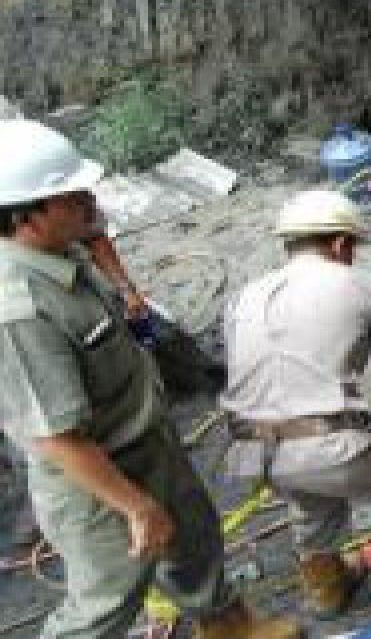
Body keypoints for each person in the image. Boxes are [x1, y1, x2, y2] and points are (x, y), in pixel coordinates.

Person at [0, 120, 300, 639]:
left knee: (192, 536)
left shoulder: (58, 243)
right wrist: (135, 507)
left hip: (145, 440)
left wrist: (123, 287)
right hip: (99, 480)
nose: (87, 201)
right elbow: (57, 437)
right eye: (72, 195)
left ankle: (229, 627)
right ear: (30, 214)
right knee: (106, 601)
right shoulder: (20, 312)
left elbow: (96, 232)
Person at [221, 190, 371, 618]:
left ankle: (326, 588)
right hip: (328, 448)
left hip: (253, 453)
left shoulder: (243, 297)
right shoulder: (357, 282)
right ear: (341, 244)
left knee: (309, 495)